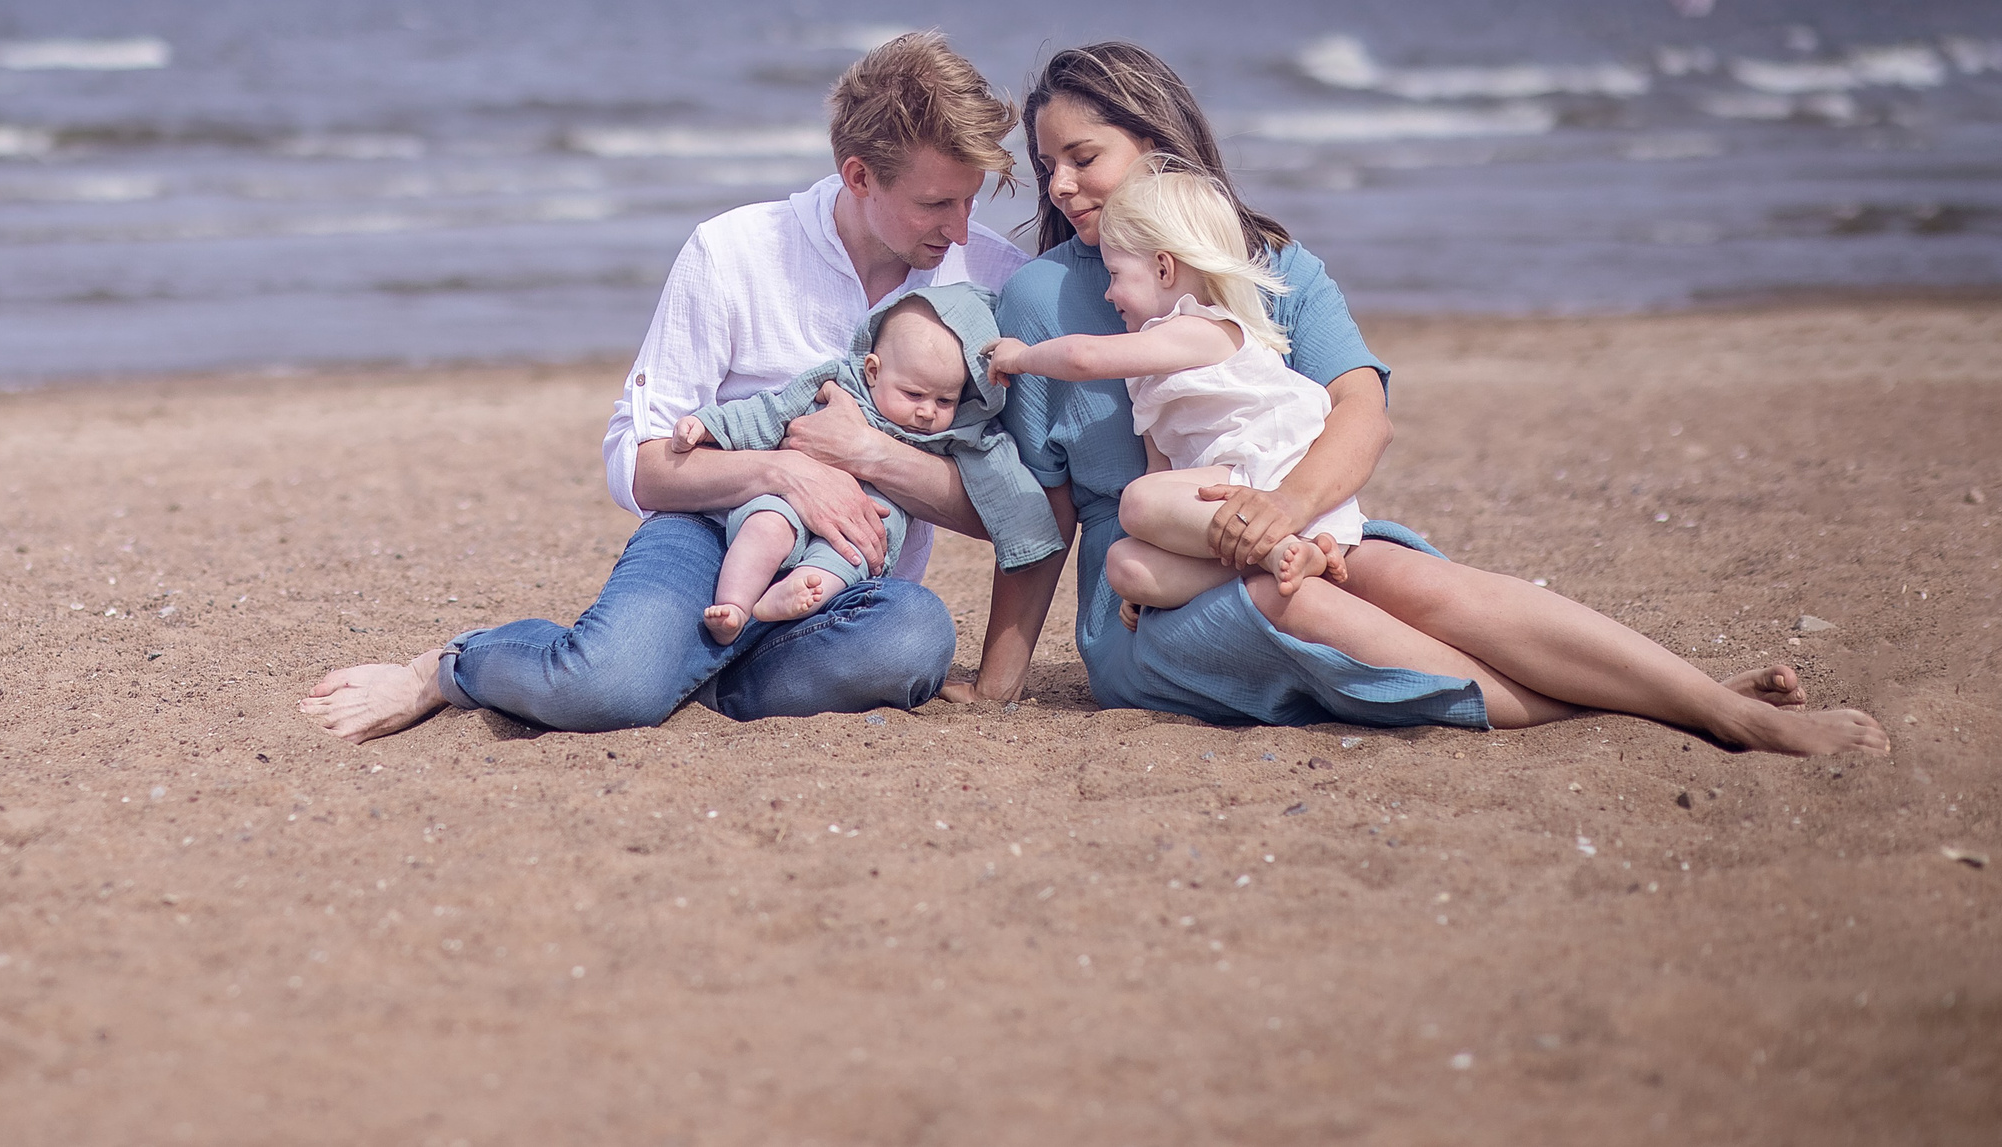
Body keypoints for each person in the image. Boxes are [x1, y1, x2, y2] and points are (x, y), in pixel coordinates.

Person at [953, 40, 1888, 758]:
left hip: (1298, 517)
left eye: (1085, 155)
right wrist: (998, 685)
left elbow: (1363, 413)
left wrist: (1283, 509)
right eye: (1048, 167)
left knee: (1419, 582)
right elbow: (1048, 515)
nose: (1062, 185)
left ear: (1155, 144)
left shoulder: (1271, 266)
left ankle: (1698, 701)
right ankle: (1684, 707)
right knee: (1303, 607)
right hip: (1152, 600)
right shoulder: (1042, 302)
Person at [303, 32, 1030, 741]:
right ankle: (451, 668)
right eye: (936, 204)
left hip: (841, 579)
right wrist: (785, 470)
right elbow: (636, 462)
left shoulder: (991, 280)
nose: (961, 230)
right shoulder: (734, 251)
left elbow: (1014, 508)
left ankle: (678, 677)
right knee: (603, 687)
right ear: (858, 175)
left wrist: (870, 457)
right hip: (705, 531)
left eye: (972, 200)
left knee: (916, 638)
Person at [985, 157, 1358, 615]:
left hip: (1270, 471)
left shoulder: (1205, 330)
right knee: (1125, 564)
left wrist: (1021, 356)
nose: (1107, 293)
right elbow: (1161, 469)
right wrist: (1147, 582)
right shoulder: (1149, 369)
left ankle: (1277, 548)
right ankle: (1287, 558)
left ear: (1164, 269)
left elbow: (1085, 357)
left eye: (1116, 276)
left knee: (1137, 503)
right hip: (1227, 494)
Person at [674, 283, 1061, 643]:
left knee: (849, 559)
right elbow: (770, 412)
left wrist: (1031, 539)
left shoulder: (955, 434)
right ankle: (735, 607)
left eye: (945, 401)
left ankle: (795, 594)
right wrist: (707, 426)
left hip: (864, 529)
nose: (927, 411)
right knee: (766, 525)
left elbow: (1002, 483)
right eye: (913, 394)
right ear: (874, 371)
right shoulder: (838, 385)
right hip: (790, 501)